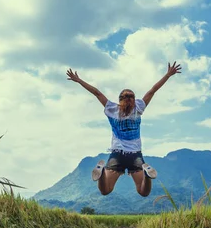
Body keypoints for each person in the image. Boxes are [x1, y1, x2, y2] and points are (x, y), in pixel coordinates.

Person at [66, 61, 182, 197]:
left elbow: (97, 93)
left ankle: (102, 172)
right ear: (134, 100)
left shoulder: (112, 109)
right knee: (143, 192)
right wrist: (167, 75)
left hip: (117, 155)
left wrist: (79, 80)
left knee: (105, 190)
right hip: (136, 155)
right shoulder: (138, 108)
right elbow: (152, 90)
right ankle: (147, 174)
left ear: (120, 99)